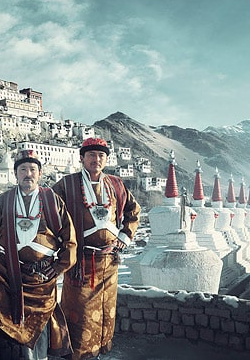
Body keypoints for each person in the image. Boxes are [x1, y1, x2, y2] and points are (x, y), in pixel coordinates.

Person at [0, 149, 77, 359]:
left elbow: (70, 240)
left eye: (32, 169)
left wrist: (58, 267)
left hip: (41, 275)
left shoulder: (53, 201)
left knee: (38, 320)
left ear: (40, 174)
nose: (28, 174)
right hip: (10, 270)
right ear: (15, 174)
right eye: (23, 169)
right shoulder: (1, 201)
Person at [52, 137, 141, 359]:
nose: (96, 159)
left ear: (107, 160)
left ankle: (103, 348)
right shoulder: (67, 184)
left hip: (109, 260)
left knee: (106, 308)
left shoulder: (116, 184)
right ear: (82, 158)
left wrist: (125, 235)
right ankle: (78, 353)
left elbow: (133, 211)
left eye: (101, 155)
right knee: (79, 312)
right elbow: (51, 214)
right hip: (81, 262)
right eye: (91, 155)